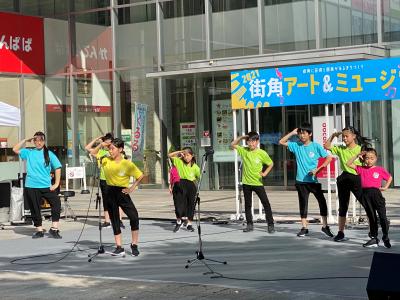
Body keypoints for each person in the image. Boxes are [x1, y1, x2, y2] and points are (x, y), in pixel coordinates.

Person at [279, 123, 334, 238]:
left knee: (322, 202)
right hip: (301, 181)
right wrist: (292, 133)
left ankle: (325, 226)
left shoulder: (316, 146)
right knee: (303, 203)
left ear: (310, 134)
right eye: (300, 133)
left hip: (313, 181)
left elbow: (329, 158)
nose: (302, 136)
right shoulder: (296, 145)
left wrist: (318, 170)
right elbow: (281, 142)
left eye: (304, 133)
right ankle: (304, 227)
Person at [12, 131, 62, 239]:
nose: (39, 142)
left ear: (44, 141)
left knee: (56, 203)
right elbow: (14, 149)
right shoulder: (29, 152)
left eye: (41, 140)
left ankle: (54, 228)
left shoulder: (49, 154)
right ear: (34, 141)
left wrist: (56, 183)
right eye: (36, 140)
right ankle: (39, 230)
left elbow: (57, 167)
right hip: (32, 185)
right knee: (35, 208)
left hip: (46, 186)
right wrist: (25, 140)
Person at [324, 126, 370, 242]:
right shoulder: (341, 149)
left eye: (346, 136)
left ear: (353, 136)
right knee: (343, 206)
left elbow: (367, 165)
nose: (344, 138)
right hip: (344, 178)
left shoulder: (361, 149)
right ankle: (341, 232)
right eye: (343, 136)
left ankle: (372, 230)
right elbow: (326, 146)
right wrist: (334, 135)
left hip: (357, 178)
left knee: (366, 203)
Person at [101, 138, 143, 256]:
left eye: (113, 149)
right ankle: (119, 247)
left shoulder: (127, 163)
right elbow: (92, 152)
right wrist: (102, 144)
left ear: (120, 149)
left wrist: (132, 188)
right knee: (114, 220)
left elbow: (140, 175)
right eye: (109, 148)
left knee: (134, 216)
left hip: (122, 192)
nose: (110, 151)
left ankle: (134, 244)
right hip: (110, 191)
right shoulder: (106, 160)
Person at [347, 148, 392, 248]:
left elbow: (389, 177)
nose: (369, 160)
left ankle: (385, 236)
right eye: (367, 158)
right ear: (364, 158)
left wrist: (385, 187)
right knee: (371, 217)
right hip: (366, 195)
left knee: (383, 217)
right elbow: (348, 163)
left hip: (376, 194)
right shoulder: (361, 169)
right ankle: (374, 238)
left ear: (376, 159)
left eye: (372, 158)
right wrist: (357, 155)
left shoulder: (379, 169)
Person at [231, 131, 275, 233]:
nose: (251, 144)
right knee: (248, 205)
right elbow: (232, 144)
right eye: (249, 141)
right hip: (246, 183)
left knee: (266, 203)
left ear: (257, 141)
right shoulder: (244, 150)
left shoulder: (262, 153)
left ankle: (271, 224)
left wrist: (265, 173)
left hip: (258, 183)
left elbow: (271, 163)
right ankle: (249, 224)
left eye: (253, 141)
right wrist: (242, 137)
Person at [85, 133, 125, 229]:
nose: (108, 145)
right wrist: (98, 141)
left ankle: (119, 220)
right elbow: (88, 149)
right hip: (104, 179)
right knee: (106, 201)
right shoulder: (101, 152)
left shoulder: (116, 152)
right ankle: (107, 221)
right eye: (106, 142)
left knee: (119, 199)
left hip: (116, 179)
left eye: (109, 142)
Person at [168, 147, 200, 232]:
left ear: (192, 156)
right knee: (178, 205)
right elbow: (169, 155)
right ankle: (178, 221)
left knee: (191, 205)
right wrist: (181, 152)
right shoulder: (179, 162)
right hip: (180, 184)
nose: (186, 157)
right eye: (185, 155)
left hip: (190, 185)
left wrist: (196, 189)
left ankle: (189, 224)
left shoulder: (195, 167)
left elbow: (197, 177)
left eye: (188, 155)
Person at [168, 161, 184, 232]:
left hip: (184, 185)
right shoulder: (172, 168)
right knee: (177, 205)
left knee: (184, 204)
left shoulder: (184, 166)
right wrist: (170, 186)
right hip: (176, 186)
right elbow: (171, 178)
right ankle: (179, 221)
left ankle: (183, 219)